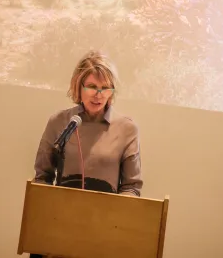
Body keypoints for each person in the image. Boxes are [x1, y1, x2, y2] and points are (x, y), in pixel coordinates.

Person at [29, 50, 143, 258]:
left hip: (104, 231)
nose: (98, 95)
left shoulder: (127, 129)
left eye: (104, 88)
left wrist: (113, 223)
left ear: (112, 91)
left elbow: (132, 187)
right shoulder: (59, 122)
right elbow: (42, 178)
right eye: (91, 86)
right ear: (78, 86)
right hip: (60, 227)